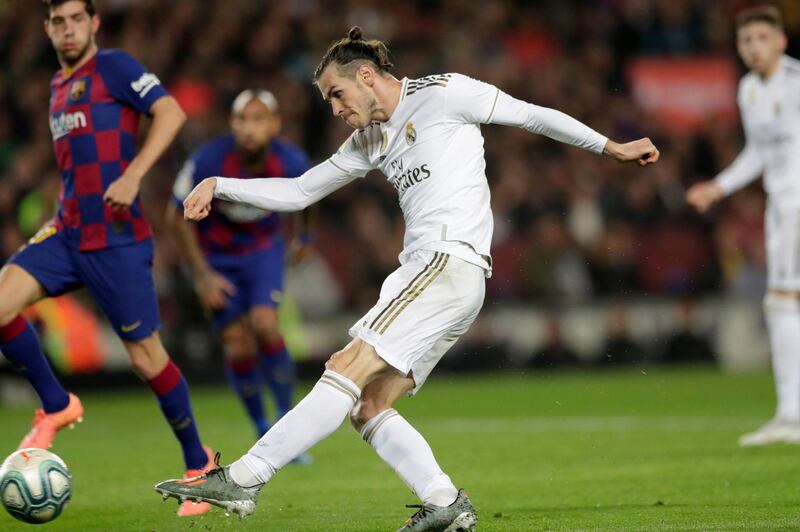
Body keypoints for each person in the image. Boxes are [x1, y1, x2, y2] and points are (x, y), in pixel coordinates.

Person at [155, 27, 658, 530]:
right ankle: (445, 502)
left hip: (445, 262)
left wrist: (609, 147)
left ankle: (243, 478)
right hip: (445, 277)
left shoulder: (444, 94)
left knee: (346, 366)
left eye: (337, 93)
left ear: (368, 76)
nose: (334, 109)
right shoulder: (368, 139)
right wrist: (220, 185)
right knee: (369, 405)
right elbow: (301, 191)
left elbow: (531, 114)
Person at [0, 0, 214, 517]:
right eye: (58, 21)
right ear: (47, 28)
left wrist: (135, 174)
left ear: (93, 23)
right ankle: (57, 403)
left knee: (146, 359)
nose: (68, 29)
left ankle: (198, 465)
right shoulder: (56, 87)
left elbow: (171, 111)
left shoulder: (114, 67)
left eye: (77, 19)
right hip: (68, 231)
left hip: (117, 239)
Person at [168, 89, 312, 458]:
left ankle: (285, 424)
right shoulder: (207, 159)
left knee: (266, 325)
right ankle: (261, 426)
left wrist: (303, 236)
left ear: (275, 125)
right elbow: (175, 217)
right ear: (232, 124)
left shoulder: (292, 159)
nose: (250, 128)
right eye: (242, 119)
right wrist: (201, 275)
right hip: (218, 258)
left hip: (263, 251)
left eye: (259, 119)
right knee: (237, 344)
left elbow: (309, 195)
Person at [686, 5, 800, 447]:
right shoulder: (749, 89)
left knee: (783, 301)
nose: (754, 47)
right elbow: (758, 152)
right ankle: (789, 414)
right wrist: (719, 186)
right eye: (746, 40)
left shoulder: (795, 84)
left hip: (797, 202)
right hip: (781, 205)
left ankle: (791, 415)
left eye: (762, 38)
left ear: (781, 42)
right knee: (781, 303)